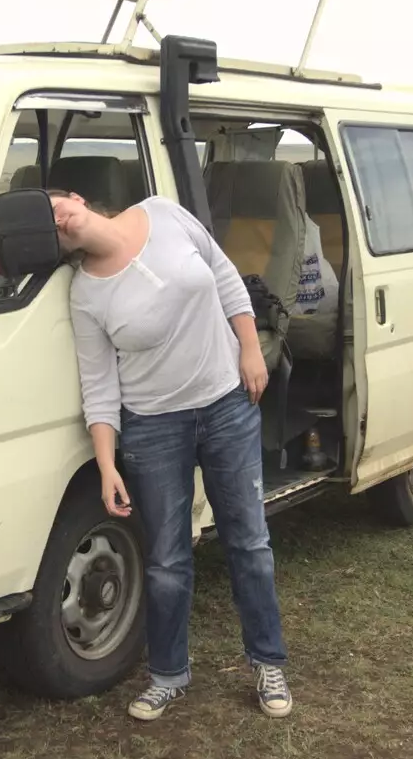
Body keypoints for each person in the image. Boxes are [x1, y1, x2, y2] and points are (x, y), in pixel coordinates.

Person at [50, 186, 292, 720]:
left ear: (78, 198)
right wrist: (108, 463)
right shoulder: (85, 294)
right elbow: (99, 386)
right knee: (166, 559)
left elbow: (226, 276)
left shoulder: (163, 212)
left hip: (227, 403)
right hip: (154, 427)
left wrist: (250, 350)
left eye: (57, 208)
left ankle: (267, 661)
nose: (61, 221)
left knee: (249, 542)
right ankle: (167, 675)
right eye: (52, 229)